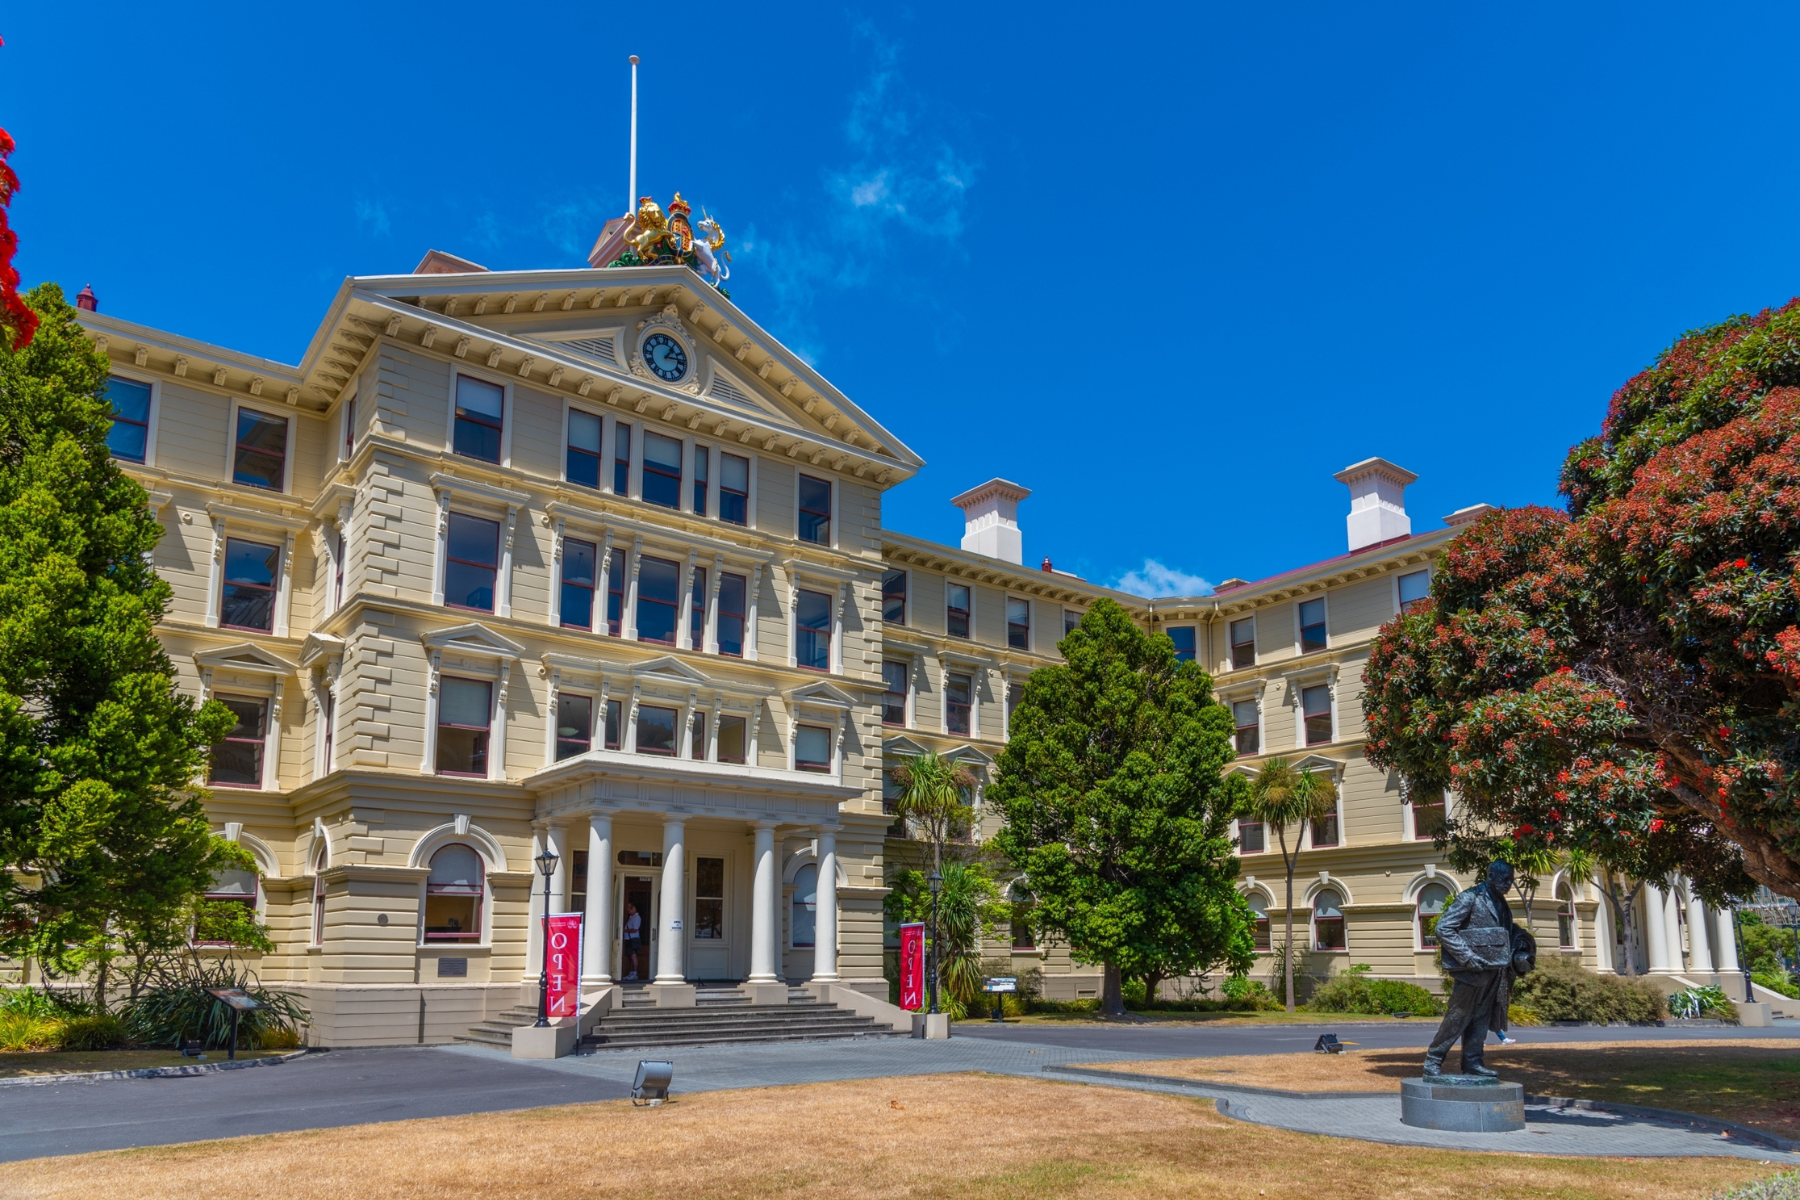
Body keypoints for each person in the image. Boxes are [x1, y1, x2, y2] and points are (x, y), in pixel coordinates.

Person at [1423, 861, 1527, 1078]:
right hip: (1471, 973)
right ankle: (1433, 1060)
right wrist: (1468, 958)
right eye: (1504, 880)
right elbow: (1444, 929)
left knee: (1481, 1018)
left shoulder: (1501, 902)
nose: (1509, 884)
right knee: (1457, 1017)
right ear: (1490, 876)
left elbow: (1502, 932)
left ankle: (1473, 1062)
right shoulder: (1470, 897)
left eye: (1511, 879)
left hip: (1494, 971)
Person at [622, 901, 642, 981]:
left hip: (633, 939)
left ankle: (635, 974)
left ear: (634, 908)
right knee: (630, 956)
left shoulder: (637, 918)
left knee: (633, 956)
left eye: (629, 908)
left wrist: (624, 931)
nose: (627, 910)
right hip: (628, 939)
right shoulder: (631, 917)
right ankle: (631, 973)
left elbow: (635, 929)